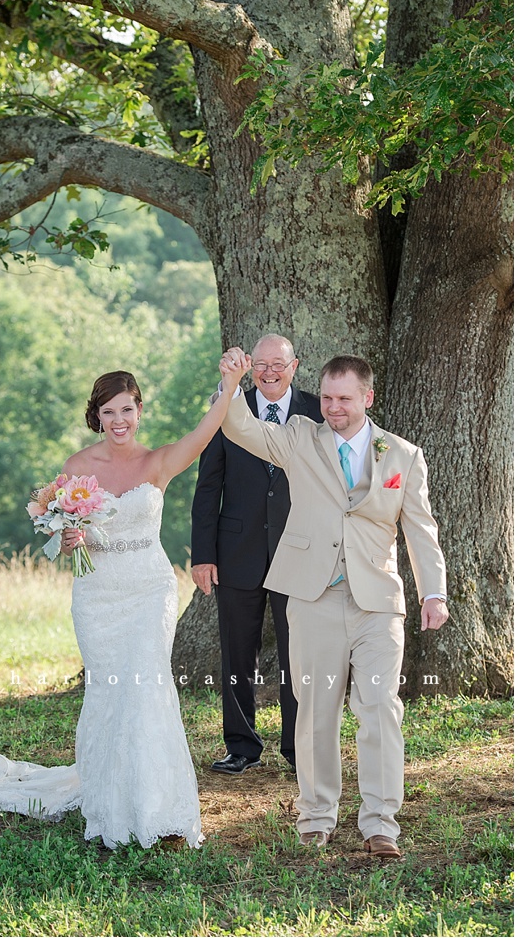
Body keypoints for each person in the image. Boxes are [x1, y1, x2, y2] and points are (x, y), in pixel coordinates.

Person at [0, 368, 243, 849]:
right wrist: (68, 538)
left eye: (126, 409)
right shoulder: (76, 468)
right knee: (111, 694)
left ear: (139, 409)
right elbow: (64, 543)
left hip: (150, 590)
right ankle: (110, 801)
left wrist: (229, 385)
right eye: (108, 412)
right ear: (97, 416)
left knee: (147, 689)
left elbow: (205, 430)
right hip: (98, 595)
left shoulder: (158, 462)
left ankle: (160, 810)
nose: (119, 419)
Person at [218, 350, 449, 857]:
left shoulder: (403, 455)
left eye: (344, 399)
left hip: (378, 602)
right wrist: (232, 383)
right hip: (313, 596)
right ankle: (316, 816)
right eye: (326, 397)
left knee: (381, 709)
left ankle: (380, 823)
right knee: (316, 709)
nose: (333, 407)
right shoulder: (300, 436)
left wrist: (433, 592)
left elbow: (421, 530)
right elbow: (241, 429)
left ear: (368, 397)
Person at [191, 334, 322, 775]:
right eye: (261, 364)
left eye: (277, 364)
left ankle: (297, 748)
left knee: (298, 655)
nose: (269, 371)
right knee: (237, 654)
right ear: (250, 367)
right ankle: (241, 746)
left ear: (294, 366)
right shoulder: (228, 406)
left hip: (300, 554)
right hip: (236, 552)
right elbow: (208, 485)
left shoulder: (320, 412)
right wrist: (203, 554)